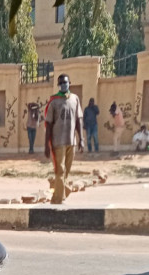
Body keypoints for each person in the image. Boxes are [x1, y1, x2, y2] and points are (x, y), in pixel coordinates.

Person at [44, 74, 83, 205]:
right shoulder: (54, 102)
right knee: (60, 171)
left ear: (69, 83)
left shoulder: (75, 99)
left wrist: (81, 139)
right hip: (58, 142)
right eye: (61, 83)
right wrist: (46, 145)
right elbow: (48, 124)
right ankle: (59, 200)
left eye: (65, 82)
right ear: (58, 85)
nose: (63, 85)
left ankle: (58, 195)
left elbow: (78, 120)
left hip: (71, 141)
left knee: (66, 170)